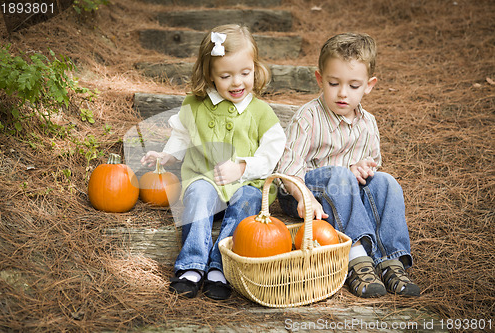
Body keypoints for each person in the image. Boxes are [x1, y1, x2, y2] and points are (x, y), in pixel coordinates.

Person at [141, 24, 286, 300]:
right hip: (205, 178)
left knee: (248, 201)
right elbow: (183, 135)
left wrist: (242, 167)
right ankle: (191, 266)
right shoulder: (194, 105)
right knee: (197, 192)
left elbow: (272, 151)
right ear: (209, 74)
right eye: (226, 75)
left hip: (245, 182)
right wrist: (168, 154)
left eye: (245, 73)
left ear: (255, 68)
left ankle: (220, 267)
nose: (237, 82)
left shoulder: (261, 112)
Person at [276, 32, 420, 298]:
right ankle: (356, 258)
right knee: (341, 175)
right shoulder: (307, 118)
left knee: (386, 181)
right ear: (320, 79)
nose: (343, 93)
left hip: (347, 195)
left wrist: (364, 169)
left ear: (369, 85)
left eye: (354, 86)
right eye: (333, 83)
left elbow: (371, 165)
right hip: (306, 196)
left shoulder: (368, 123)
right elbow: (287, 169)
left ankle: (391, 260)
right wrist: (305, 197)